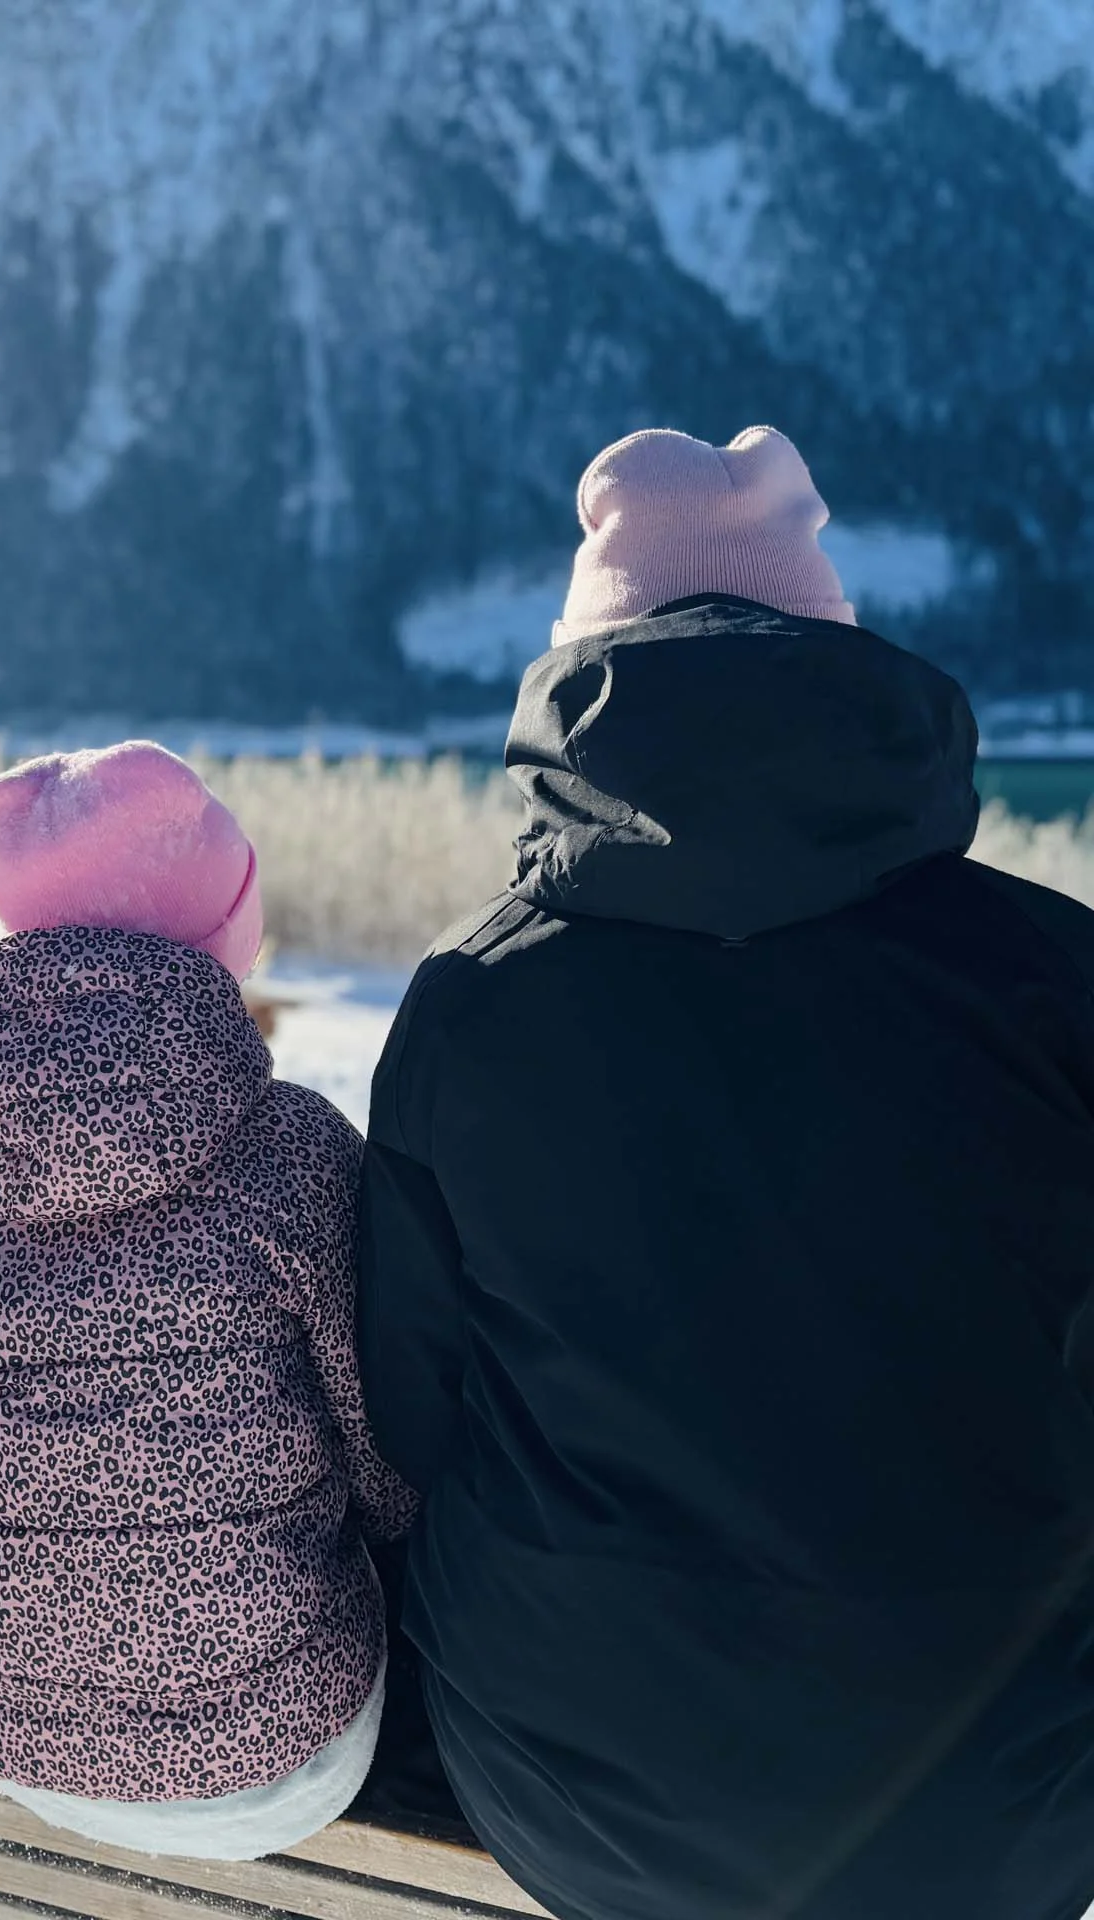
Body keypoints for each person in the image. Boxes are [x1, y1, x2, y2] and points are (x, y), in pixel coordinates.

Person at [356, 426, 1094, 1920]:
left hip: (582, 1803)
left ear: (578, 687)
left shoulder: (475, 1002)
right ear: (846, 666)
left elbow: (412, 1404)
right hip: (1015, 1800)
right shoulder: (1054, 978)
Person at [0, 740, 417, 1860]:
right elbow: (387, 1456)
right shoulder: (296, 1154)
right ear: (222, 936)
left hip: (5, 1742)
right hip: (281, 1761)